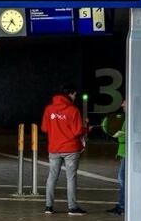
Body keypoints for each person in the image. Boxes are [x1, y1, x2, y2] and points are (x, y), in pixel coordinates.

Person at [41, 84, 89, 216]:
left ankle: (48, 206)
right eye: (74, 94)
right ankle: (72, 207)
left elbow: (44, 128)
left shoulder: (49, 109)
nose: (75, 97)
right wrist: (86, 128)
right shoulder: (73, 110)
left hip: (54, 148)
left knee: (52, 177)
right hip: (70, 149)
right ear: (70, 94)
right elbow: (77, 131)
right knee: (71, 178)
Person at [102, 100, 127, 215]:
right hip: (123, 153)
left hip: (127, 154)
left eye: (124, 103)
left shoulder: (131, 119)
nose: (122, 105)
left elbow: (126, 135)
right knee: (122, 180)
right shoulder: (128, 119)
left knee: (122, 180)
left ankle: (122, 206)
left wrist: (119, 136)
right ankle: (121, 205)